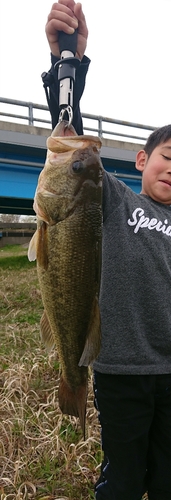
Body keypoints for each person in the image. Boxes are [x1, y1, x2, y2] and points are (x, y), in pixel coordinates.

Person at [43, 2, 171, 499]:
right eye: (167, 157)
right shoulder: (114, 200)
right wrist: (69, 63)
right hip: (120, 370)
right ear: (141, 160)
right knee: (122, 476)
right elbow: (72, 150)